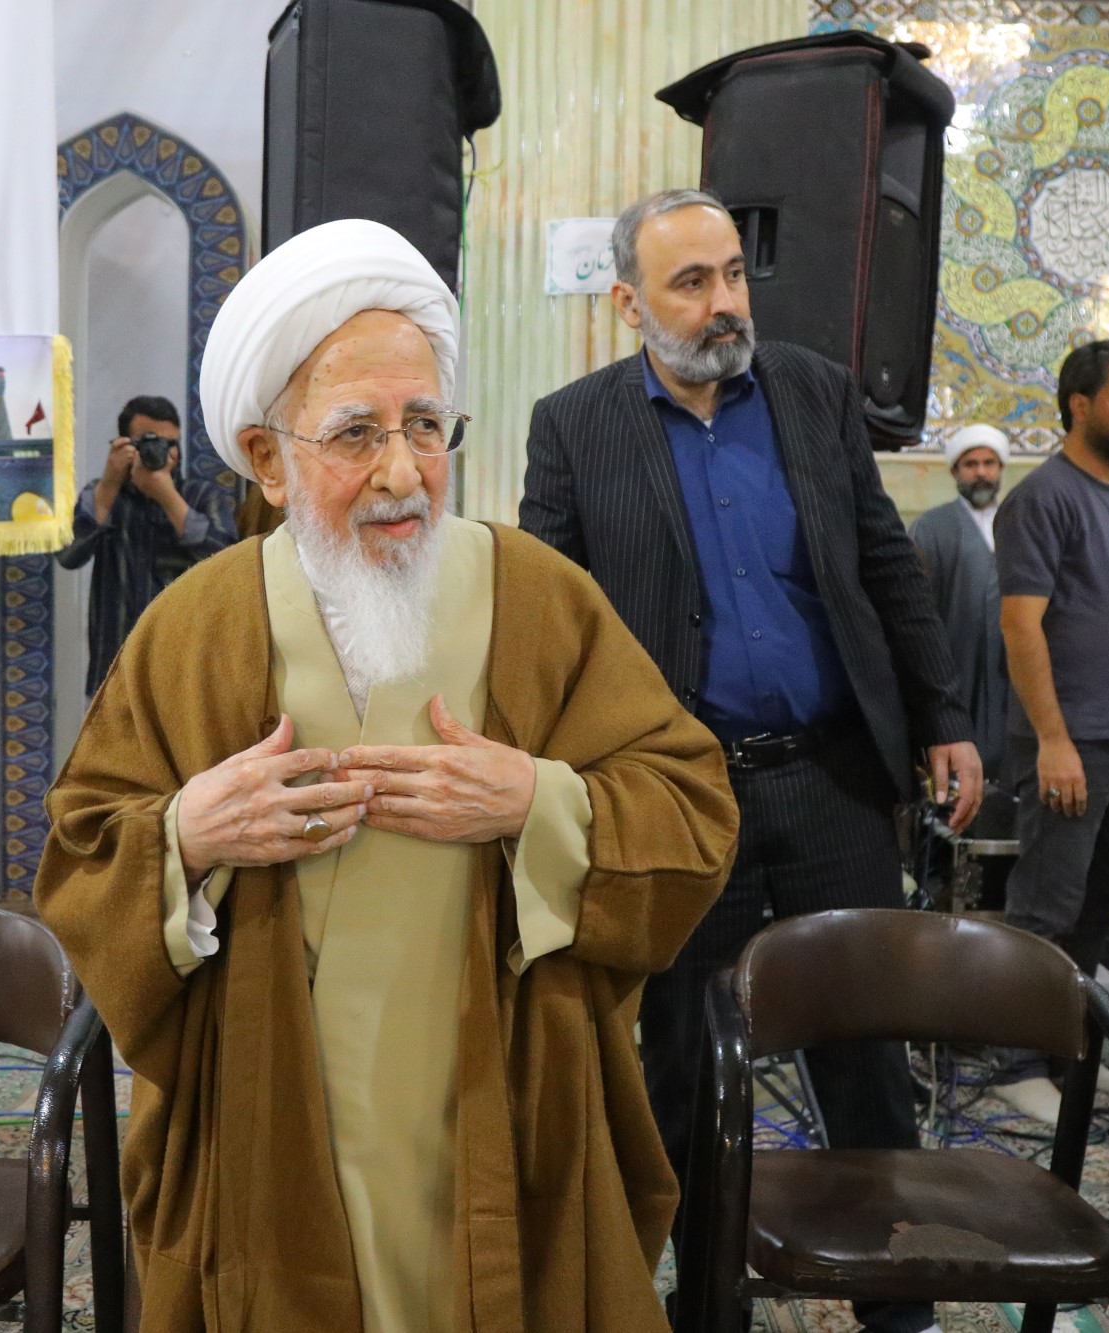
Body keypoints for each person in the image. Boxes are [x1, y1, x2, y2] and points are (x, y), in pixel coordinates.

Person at [36, 219, 739, 1333]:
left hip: (500, 1102)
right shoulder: (194, 625)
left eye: (423, 424)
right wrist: (187, 836)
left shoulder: (540, 596)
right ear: (268, 459)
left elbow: (691, 806)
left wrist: (537, 801)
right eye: (355, 434)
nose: (402, 472)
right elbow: (83, 852)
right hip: (275, 1117)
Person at [520, 186, 978, 1333]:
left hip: (831, 782)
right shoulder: (575, 426)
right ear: (628, 303)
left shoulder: (814, 392)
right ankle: (709, 1303)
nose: (724, 302)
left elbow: (884, 563)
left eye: (732, 274)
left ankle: (898, 1310)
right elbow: (547, 620)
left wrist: (944, 715)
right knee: (684, 1065)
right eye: (692, 282)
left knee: (865, 1057)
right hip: (681, 797)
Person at [993, 340, 1109, 1119]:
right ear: (1079, 404)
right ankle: (1010, 1062)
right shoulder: (1041, 497)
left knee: (1103, 900)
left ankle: (1068, 1048)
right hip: (1072, 740)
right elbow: (1020, 627)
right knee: (1047, 905)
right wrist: (1052, 739)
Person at [54, 395, 237, 694]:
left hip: (186, 671)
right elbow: (68, 555)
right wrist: (109, 486)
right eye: (149, 442)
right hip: (114, 670)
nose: (160, 451)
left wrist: (167, 496)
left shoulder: (201, 496)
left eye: (170, 443)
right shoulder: (104, 493)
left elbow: (227, 563)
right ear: (123, 446)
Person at [912, 424, 1011, 776]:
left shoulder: (1018, 521)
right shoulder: (931, 527)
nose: (981, 472)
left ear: (1000, 468)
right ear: (955, 471)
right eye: (971, 464)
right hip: (955, 665)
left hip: (1010, 670)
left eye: (989, 463)